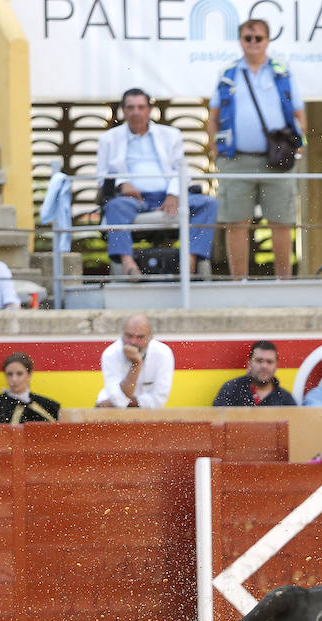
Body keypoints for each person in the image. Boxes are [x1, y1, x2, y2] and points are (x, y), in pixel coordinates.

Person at [206, 18, 306, 280]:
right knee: (236, 224)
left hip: (277, 160)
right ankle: (240, 283)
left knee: (282, 223)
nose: (253, 43)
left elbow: (299, 115)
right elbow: (213, 117)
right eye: (247, 38)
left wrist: (297, 145)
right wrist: (216, 151)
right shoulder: (228, 74)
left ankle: (284, 282)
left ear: (267, 41)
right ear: (240, 41)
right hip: (236, 159)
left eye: (258, 38)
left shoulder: (281, 72)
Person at [98, 89, 219, 279]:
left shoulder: (170, 135)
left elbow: (181, 169)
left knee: (208, 204)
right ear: (123, 111)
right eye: (130, 107)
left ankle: (190, 260)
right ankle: (129, 266)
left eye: (141, 107)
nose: (136, 112)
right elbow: (102, 175)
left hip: (168, 197)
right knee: (114, 207)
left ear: (149, 110)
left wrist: (173, 194)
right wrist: (123, 184)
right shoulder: (108, 139)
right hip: (133, 200)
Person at [96, 313, 174, 409]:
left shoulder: (163, 353)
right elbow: (117, 399)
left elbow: (158, 400)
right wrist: (136, 365)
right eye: (129, 336)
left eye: (140, 337)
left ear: (150, 338)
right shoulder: (110, 354)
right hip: (111, 415)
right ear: (122, 334)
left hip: (146, 414)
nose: (133, 342)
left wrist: (119, 402)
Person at [0, 353, 60, 424]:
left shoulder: (47, 405)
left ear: (29, 375)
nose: (14, 379)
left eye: (19, 374)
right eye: (10, 374)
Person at [212, 340, 297, 407]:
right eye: (259, 360)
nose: (264, 366)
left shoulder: (285, 399)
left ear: (276, 365)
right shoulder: (231, 390)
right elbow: (216, 424)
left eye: (269, 362)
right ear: (249, 363)